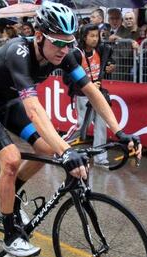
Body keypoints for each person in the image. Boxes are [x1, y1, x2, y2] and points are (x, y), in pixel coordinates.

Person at [0, 1, 141, 257]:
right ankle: (11, 235)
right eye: (57, 42)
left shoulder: (65, 55)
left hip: (7, 100)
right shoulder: (18, 53)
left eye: (68, 43)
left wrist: (120, 132)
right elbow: (34, 109)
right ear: (38, 36)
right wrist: (66, 151)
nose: (64, 49)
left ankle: (12, 194)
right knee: (11, 159)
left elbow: (92, 92)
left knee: (47, 150)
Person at [63, 24, 116, 168]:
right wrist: (86, 85)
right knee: (81, 126)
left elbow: (109, 63)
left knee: (101, 125)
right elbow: (66, 79)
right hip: (82, 95)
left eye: (97, 36)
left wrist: (110, 67)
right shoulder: (75, 53)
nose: (94, 39)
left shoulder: (102, 49)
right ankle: (60, 147)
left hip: (99, 95)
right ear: (84, 37)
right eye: (91, 36)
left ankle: (100, 158)